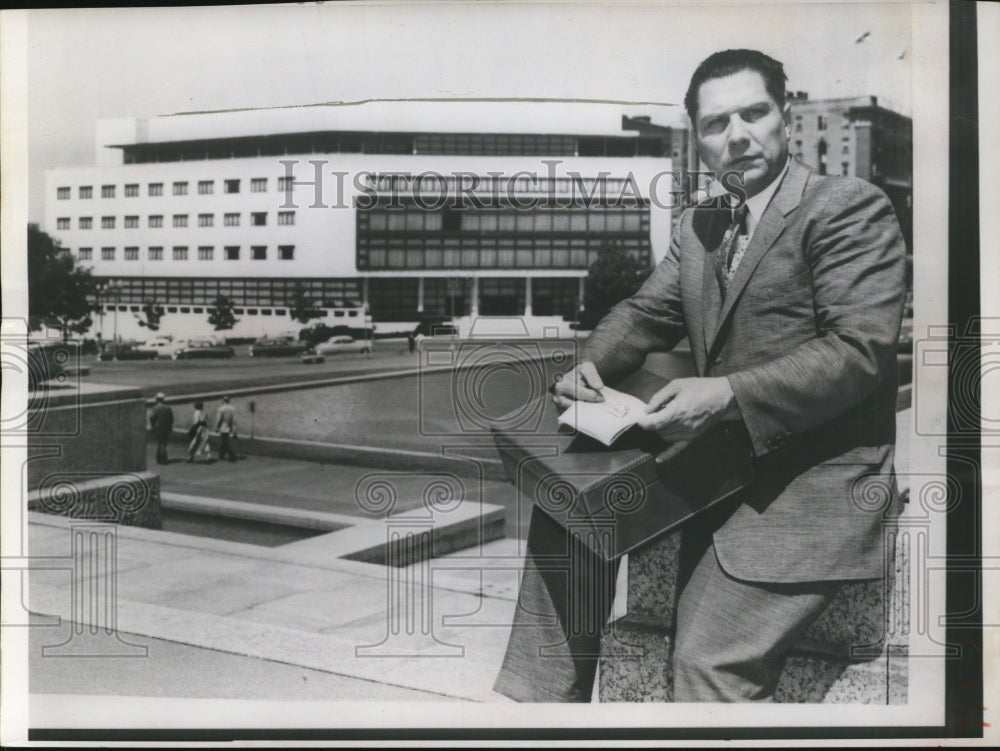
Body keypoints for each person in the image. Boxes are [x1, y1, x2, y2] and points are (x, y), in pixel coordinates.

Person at [494, 49, 906, 703]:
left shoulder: (847, 207)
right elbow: (641, 314)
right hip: (715, 463)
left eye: (754, 113)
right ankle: (538, 711)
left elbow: (860, 350)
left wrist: (727, 393)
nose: (737, 134)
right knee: (568, 509)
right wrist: (587, 367)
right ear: (698, 138)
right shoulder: (704, 223)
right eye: (716, 124)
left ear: (786, 116)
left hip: (804, 484)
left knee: (704, 663)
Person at [149, 393, 174, 465]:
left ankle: (160, 457)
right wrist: (170, 427)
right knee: (164, 442)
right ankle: (163, 456)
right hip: (166, 427)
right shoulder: (168, 408)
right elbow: (171, 419)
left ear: (157, 399)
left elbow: (152, 417)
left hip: (158, 427)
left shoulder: (155, 408)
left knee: (159, 442)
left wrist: (152, 426)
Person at [215, 396, 238, 462]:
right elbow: (235, 419)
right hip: (230, 426)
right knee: (225, 441)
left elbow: (219, 419)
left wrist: (217, 427)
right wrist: (234, 428)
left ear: (223, 401)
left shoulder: (221, 408)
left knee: (224, 441)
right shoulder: (232, 408)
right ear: (229, 400)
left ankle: (229, 455)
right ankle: (223, 455)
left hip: (223, 426)